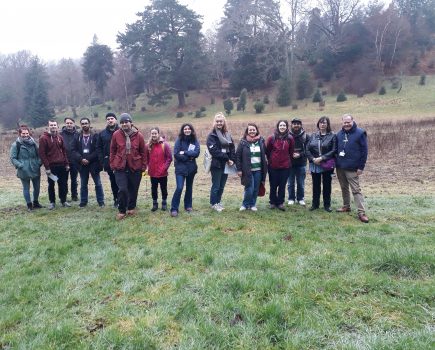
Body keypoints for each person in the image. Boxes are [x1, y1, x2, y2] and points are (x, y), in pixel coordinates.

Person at [109, 113, 147, 220]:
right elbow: (112, 150)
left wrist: (143, 166)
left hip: (135, 166)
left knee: (133, 189)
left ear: (131, 123)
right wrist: (112, 164)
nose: (124, 124)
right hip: (120, 166)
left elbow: (143, 152)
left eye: (126, 122)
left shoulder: (138, 135)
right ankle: (122, 210)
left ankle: (131, 207)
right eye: (122, 123)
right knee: (122, 189)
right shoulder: (116, 134)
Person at [336, 114, 369, 223]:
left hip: (353, 167)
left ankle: (361, 212)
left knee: (356, 190)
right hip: (340, 166)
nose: (346, 124)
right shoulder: (339, 134)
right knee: (344, 187)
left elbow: (364, 152)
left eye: (348, 122)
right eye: (344, 122)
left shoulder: (360, 133)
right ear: (342, 122)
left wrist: (361, 167)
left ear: (353, 121)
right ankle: (346, 206)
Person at [71, 117, 105, 208]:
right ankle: (83, 202)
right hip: (82, 164)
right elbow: (73, 150)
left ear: (89, 124)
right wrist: (81, 159)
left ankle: (101, 201)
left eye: (86, 123)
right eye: (82, 123)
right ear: (81, 125)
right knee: (83, 184)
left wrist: (88, 159)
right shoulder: (77, 136)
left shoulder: (95, 136)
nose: (84, 125)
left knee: (98, 183)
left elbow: (98, 150)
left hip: (93, 163)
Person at [306, 116, 337, 212]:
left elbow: (334, 150)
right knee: (316, 185)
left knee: (327, 185)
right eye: (321, 122)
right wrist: (312, 159)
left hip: (327, 164)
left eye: (325, 123)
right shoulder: (313, 135)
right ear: (318, 124)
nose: (322, 124)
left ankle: (327, 205)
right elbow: (307, 149)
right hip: (315, 164)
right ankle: (315, 204)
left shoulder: (332, 136)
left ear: (328, 124)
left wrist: (322, 158)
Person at [206, 112, 236, 212]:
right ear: (214, 122)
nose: (219, 123)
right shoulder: (212, 135)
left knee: (222, 186)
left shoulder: (227, 134)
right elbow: (214, 151)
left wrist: (232, 159)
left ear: (224, 122)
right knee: (216, 185)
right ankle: (213, 203)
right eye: (217, 121)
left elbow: (232, 147)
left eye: (221, 121)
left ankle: (218, 202)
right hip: (216, 164)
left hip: (226, 164)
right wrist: (227, 159)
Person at [39, 120, 70, 210]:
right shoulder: (43, 138)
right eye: (51, 125)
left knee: (63, 184)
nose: (53, 126)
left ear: (57, 126)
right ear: (48, 127)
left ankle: (63, 200)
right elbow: (42, 154)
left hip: (62, 166)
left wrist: (67, 163)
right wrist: (47, 167)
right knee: (51, 184)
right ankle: (52, 202)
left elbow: (64, 151)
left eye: (54, 125)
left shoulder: (60, 137)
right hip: (51, 167)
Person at [10, 125, 43, 211]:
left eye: (26, 133)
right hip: (23, 170)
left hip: (35, 168)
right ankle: (29, 205)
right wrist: (21, 166)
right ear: (20, 134)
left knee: (37, 187)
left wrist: (39, 163)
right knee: (26, 188)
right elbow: (13, 158)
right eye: (23, 133)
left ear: (29, 133)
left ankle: (36, 202)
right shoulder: (16, 145)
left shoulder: (34, 143)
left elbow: (40, 154)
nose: (25, 135)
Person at [236, 123, 267, 211]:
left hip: (259, 170)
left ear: (256, 131)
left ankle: (252, 204)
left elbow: (266, 152)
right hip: (247, 170)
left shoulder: (261, 141)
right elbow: (238, 156)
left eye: (253, 129)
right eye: (250, 130)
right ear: (247, 131)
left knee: (256, 188)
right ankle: (245, 204)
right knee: (249, 188)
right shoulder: (243, 142)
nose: (252, 131)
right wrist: (239, 169)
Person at [170, 123, 200, 217]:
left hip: (191, 168)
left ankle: (188, 206)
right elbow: (176, 154)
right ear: (183, 130)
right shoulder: (179, 140)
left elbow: (197, 153)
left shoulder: (195, 140)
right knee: (179, 187)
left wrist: (185, 152)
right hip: (180, 168)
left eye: (189, 128)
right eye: (185, 129)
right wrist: (188, 157)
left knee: (189, 187)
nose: (187, 130)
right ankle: (174, 208)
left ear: (191, 130)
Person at [266, 120, 295, 211]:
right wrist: (271, 160)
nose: (282, 127)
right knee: (273, 185)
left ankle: (280, 203)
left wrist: (287, 161)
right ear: (278, 126)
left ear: (287, 127)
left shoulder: (290, 138)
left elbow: (291, 152)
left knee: (282, 185)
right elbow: (268, 151)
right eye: (281, 125)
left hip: (285, 167)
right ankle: (272, 202)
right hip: (273, 167)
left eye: (284, 125)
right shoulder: (272, 138)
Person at [145, 127, 172, 211]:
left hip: (163, 173)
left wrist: (165, 167)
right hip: (152, 172)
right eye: (152, 133)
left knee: (164, 188)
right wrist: (147, 167)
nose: (154, 135)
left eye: (155, 133)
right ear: (150, 134)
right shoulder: (147, 145)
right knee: (154, 189)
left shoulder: (165, 145)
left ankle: (164, 203)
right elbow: (146, 158)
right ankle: (155, 203)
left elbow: (169, 158)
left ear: (158, 134)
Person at [97, 112, 119, 207]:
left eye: (112, 118)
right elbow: (99, 147)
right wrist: (103, 160)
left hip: (121, 161)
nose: (110, 120)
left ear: (115, 120)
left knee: (122, 181)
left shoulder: (122, 131)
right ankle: (116, 199)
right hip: (109, 162)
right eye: (108, 119)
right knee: (113, 181)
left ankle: (125, 199)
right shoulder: (102, 134)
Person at [287, 118, 308, 206]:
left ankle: (300, 198)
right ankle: (291, 198)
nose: (296, 125)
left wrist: (300, 154)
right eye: (294, 124)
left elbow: (308, 149)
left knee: (301, 183)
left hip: (301, 163)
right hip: (289, 164)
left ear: (301, 125)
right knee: (290, 183)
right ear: (291, 125)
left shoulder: (306, 136)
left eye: (298, 124)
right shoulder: (287, 136)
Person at [60, 117, 79, 201]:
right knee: (64, 180)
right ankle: (64, 196)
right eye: (67, 123)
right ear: (65, 124)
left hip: (75, 161)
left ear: (73, 124)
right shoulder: (60, 134)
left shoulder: (78, 134)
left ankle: (74, 196)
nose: (69, 124)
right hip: (64, 161)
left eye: (71, 123)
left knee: (74, 180)